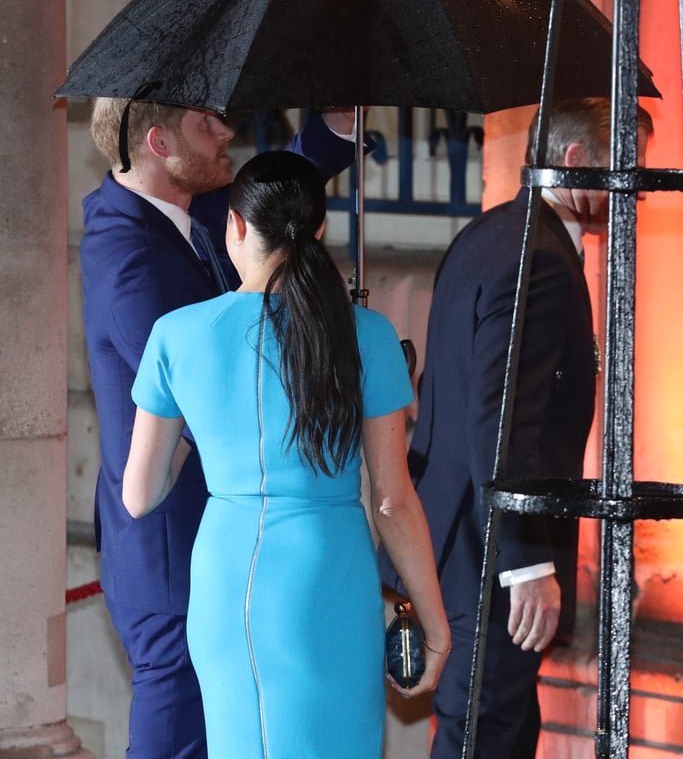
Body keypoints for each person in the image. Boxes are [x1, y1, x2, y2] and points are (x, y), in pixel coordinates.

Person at [121, 150, 451, 759]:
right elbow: (391, 500)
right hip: (329, 576)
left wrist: (215, 431)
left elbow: (139, 497)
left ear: (238, 226)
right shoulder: (369, 335)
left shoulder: (175, 333)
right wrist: (432, 620)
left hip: (224, 579)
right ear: (320, 231)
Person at [81, 99, 368, 759]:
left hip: (209, 542)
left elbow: (271, 204)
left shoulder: (182, 213)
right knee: (177, 737)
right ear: (157, 141)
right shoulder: (130, 257)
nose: (227, 133)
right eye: (205, 125)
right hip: (169, 544)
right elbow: (208, 399)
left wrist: (334, 127)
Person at [379, 97, 653, 759]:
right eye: (629, 165)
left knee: (493, 727)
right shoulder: (539, 260)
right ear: (576, 161)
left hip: (454, 544)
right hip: (490, 555)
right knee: (485, 734)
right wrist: (525, 562)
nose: (637, 189)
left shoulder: (493, 233)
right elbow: (500, 416)